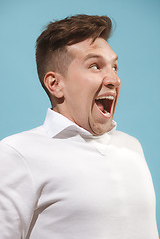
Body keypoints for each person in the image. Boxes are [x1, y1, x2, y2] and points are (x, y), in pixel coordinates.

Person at [0, 14, 159, 239]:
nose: (113, 79)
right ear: (55, 84)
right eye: (95, 66)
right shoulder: (17, 153)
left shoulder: (132, 147)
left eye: (115, 66)